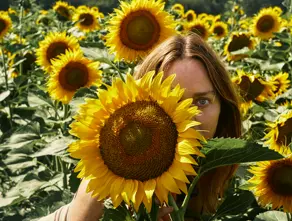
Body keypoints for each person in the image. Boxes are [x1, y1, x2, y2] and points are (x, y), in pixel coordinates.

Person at [39, 33, 241, 221]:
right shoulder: (109, 181)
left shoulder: (232, 172)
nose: (187, 118)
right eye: (172, 101)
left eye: (201, 102)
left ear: (223, 106)